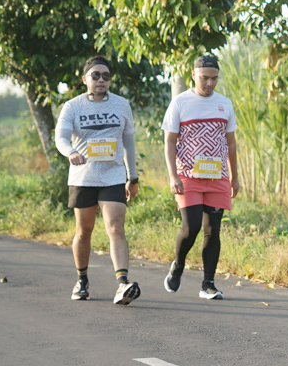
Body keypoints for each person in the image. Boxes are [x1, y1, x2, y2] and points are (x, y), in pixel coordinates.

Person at [55, 56, 142, 305]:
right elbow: (60, 137)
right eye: (95, 75)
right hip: (83, 177)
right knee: (84, 232)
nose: (101, 79)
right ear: (85, 79)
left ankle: (122, 283)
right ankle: (82, 280)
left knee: (116, 226)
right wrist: (70, 152)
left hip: (113, 176)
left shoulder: (121, 105)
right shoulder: (72, 106)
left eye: (106, 75)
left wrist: (132, 176)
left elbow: (128, 144)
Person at [161, 54, 240, 300]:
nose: (209, 83)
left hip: (218, 177)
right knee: (192, 226)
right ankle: (178, 265)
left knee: (212, 231)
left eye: (214, 79)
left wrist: (234, 177)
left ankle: (208, 284)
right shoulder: (180, 102)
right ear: (193, 75)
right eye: (205, 78)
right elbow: (170, 141)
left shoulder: (225, 103)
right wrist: (173, 175)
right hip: (188, 175)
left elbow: (231, 143)